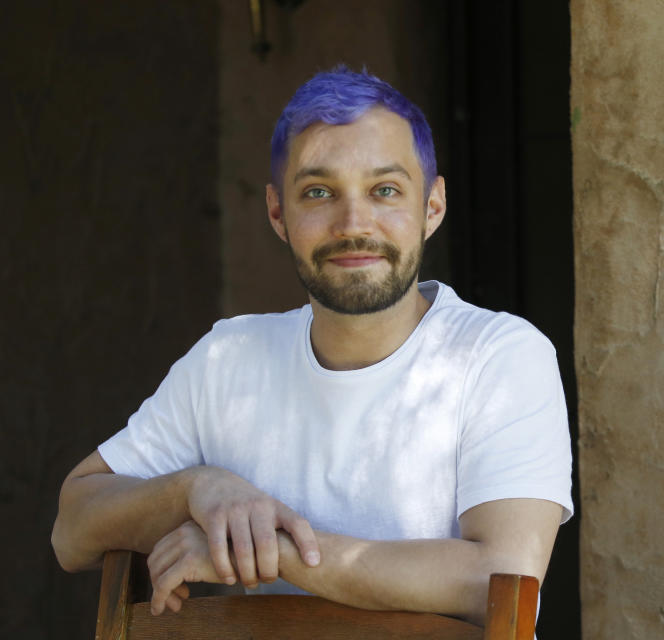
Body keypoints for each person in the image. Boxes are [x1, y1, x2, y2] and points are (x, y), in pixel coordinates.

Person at [51, 67, 572, 627]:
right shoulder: (230, 359)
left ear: (433, 207)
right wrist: (198, 490)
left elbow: (499, 578)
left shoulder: (500, 355)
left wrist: (274, 549)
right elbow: (72, 529)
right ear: (278, 212)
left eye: (385, 190)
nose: (354, 223)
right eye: (319, 192)